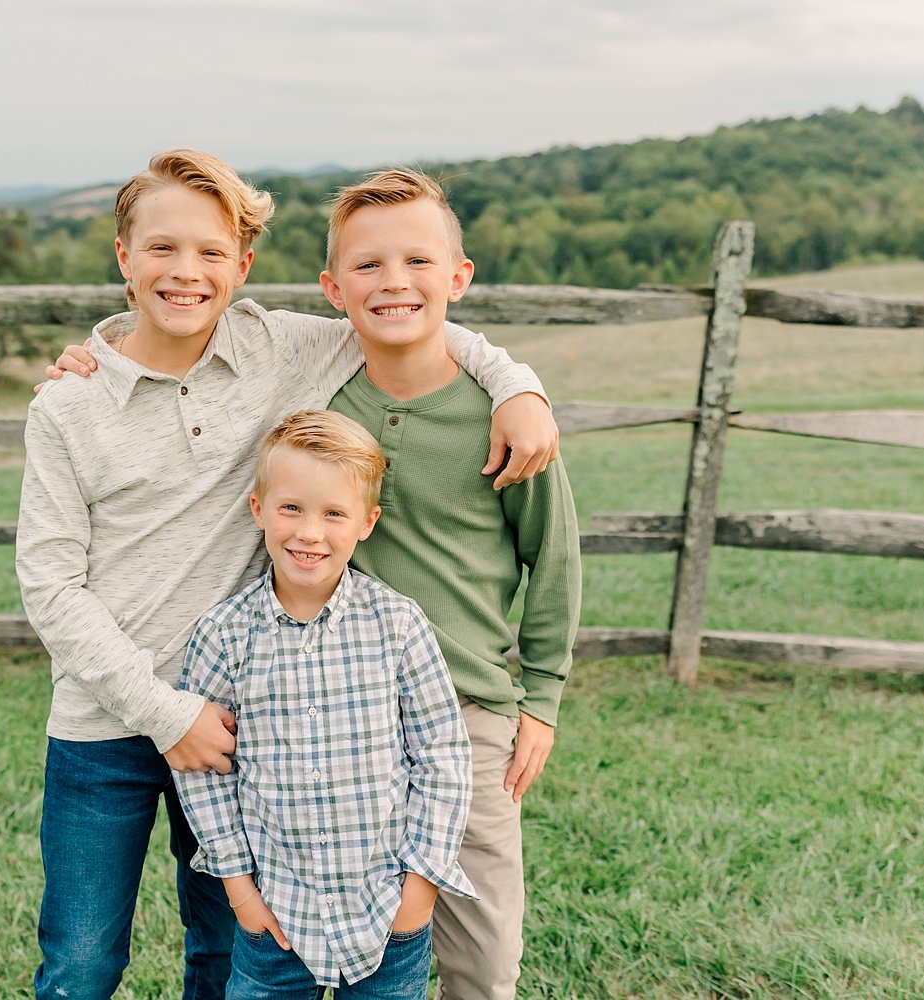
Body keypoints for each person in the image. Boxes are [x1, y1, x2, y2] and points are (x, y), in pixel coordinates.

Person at [17, 148, 558, 1000]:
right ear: (124, 259)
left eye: (210, 252)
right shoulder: (69, 407)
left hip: (245, 717)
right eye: (161, 248)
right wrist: (165, 713)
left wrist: (517, 385)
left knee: (228, 947)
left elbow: (408, 314)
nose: (186, 272)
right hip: (105, 725)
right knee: (82, 962)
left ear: (244, 266)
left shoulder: (275, 348)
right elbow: (50, 590)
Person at [321, 169, 582, 1000]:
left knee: (482, 945)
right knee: (346, 929)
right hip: (341, 704)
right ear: (333, 289)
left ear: (458, 278)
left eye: (418, 261)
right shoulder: (316, 405)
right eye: (367, 266)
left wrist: (539, 697)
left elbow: (555, 560)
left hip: (469, 709)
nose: (394, 282)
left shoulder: (506, 422)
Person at [174, 409, 475, 999]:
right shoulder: (224, 634)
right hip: (276, 917)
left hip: (387, 911)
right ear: (258, 509)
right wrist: (240, 891)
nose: (310, 533)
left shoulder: (397, 624)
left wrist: (420, 889)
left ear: (367, 522)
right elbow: (206, 775)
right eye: (291, 508)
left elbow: (442, 754)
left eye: (334, 513)